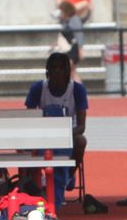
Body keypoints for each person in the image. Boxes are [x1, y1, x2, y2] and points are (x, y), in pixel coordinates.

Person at [25, 52, 88, 192]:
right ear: (48, 71)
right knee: (24, 145)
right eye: (54, 68)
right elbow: (28, 118)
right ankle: (33, 183)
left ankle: (69, 175)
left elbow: (82, 126)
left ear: (67, 71)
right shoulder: (38, 88)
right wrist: (45, 134)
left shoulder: (77, 90)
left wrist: (63, 134)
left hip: (68, 134)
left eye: (61, 68)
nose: (57, 71)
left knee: (81, 141)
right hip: (44, 135)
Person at [57, 1, 85, 83]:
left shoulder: (74, 20)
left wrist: (80, 49)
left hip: (74, 49)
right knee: (72, 72)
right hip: (69, 49)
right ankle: (79, 89)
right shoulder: (66, 21)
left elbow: (79, 35)